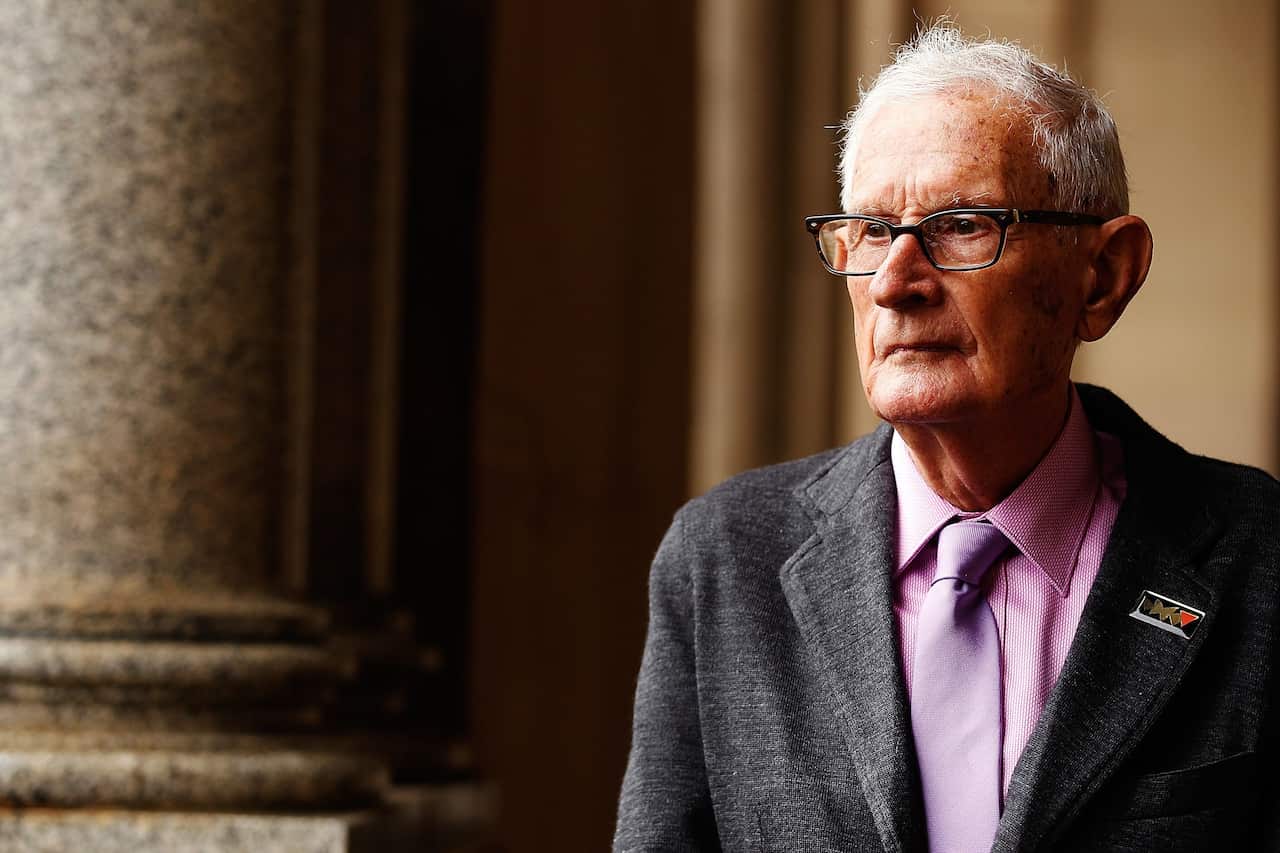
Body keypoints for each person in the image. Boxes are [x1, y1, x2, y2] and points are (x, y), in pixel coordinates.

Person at [614, 25, 1279, 853]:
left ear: (1102, 277)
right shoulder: (722, 557)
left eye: (963, 223)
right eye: (869, 229)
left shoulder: (1260, 557)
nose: (894, 281)